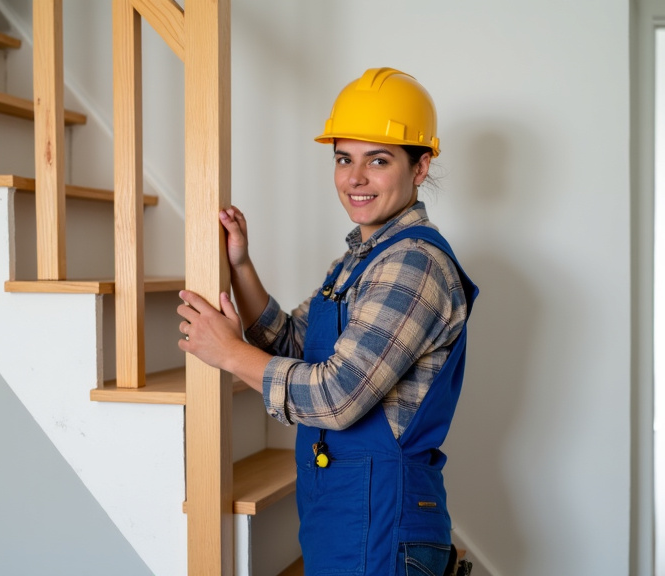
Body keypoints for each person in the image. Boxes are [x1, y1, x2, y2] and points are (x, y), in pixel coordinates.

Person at [176, 67, 478, 576]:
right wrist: (241, 266)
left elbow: (337, 397)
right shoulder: (358, 261)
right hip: (342, 512)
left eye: (377, 160)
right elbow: (293, 342)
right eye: (344, 159)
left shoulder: (413, 265)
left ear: (420, 167)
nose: (354, 178)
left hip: (383, 518)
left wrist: (228, 353)